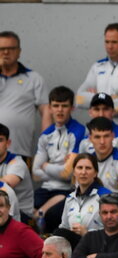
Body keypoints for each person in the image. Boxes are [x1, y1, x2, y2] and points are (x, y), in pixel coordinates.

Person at [33, 87, 87, 233]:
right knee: (23, 210)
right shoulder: (46, 134)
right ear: (49, 108)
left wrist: (45, 165)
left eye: (64, 106)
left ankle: (42, 213)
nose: (60, 110)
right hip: (45, 188)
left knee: (53, 215)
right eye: (56, 106)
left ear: (72, 108)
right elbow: (35, 173)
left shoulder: (79, 131)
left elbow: (67, 174)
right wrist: (55, 169)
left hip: (67, 189)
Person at [76, 24, 118, 129]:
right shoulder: (98, 66)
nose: (109, 46)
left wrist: (96, 100)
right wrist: (112, 98)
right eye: (107, 42)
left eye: (114, 42)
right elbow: (79, 100)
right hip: (100, 129)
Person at [0, 31, 48, 159]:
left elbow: (46, 112)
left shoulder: (33, 79)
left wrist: (46, 147)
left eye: (10, 48)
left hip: (19, 152)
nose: (5, 52)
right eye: (2, 49)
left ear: (19, 52)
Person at [56, 152, 112, 248]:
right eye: (80, 168)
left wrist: (86, 233)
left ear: (95, 173)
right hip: (74, 248)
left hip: (98, 247)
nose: (83, 172)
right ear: (74, 172)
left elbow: (113, 230)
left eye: (88, 168)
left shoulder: (105, 196)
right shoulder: (70, 198)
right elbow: (64, 227)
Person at [76, 117, 118, 211]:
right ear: (90, 139)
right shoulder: (86, 163)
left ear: (113, 136)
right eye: (97, 137)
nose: (102, 142)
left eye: (106, 136)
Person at [0, 123, 33, 220]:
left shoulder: (18, 163)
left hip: (21, 212)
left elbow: (6, 184)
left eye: (0, 140)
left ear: (8, 143)